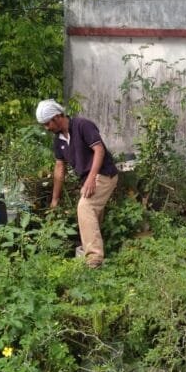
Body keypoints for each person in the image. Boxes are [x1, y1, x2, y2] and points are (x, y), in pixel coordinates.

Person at [35, 99, 119, 268]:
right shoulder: (58, 140)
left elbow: (99, 150)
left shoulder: (82, 125)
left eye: (47, 123)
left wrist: (90, 179)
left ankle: (94, 258)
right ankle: (97, 247)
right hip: (89, 179)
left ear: (57, 116)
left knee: (85, 206)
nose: (46, 128)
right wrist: (55, 199)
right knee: (93, 213)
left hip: (104, 174)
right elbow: (59, 169)